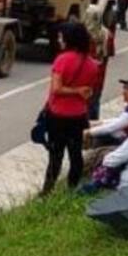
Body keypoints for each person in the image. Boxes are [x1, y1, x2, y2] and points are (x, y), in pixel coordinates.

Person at [41, 22, 100, 193]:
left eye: (61, 37)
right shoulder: (92, 64)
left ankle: (47, 190)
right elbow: (89, 92)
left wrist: (74, 90)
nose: (59, 40)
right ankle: (72, 189)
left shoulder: (62, 59)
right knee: (75, 154)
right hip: (79, 114)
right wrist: (79, 91)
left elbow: (56, 89)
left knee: (55, 155)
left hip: (58, 114)